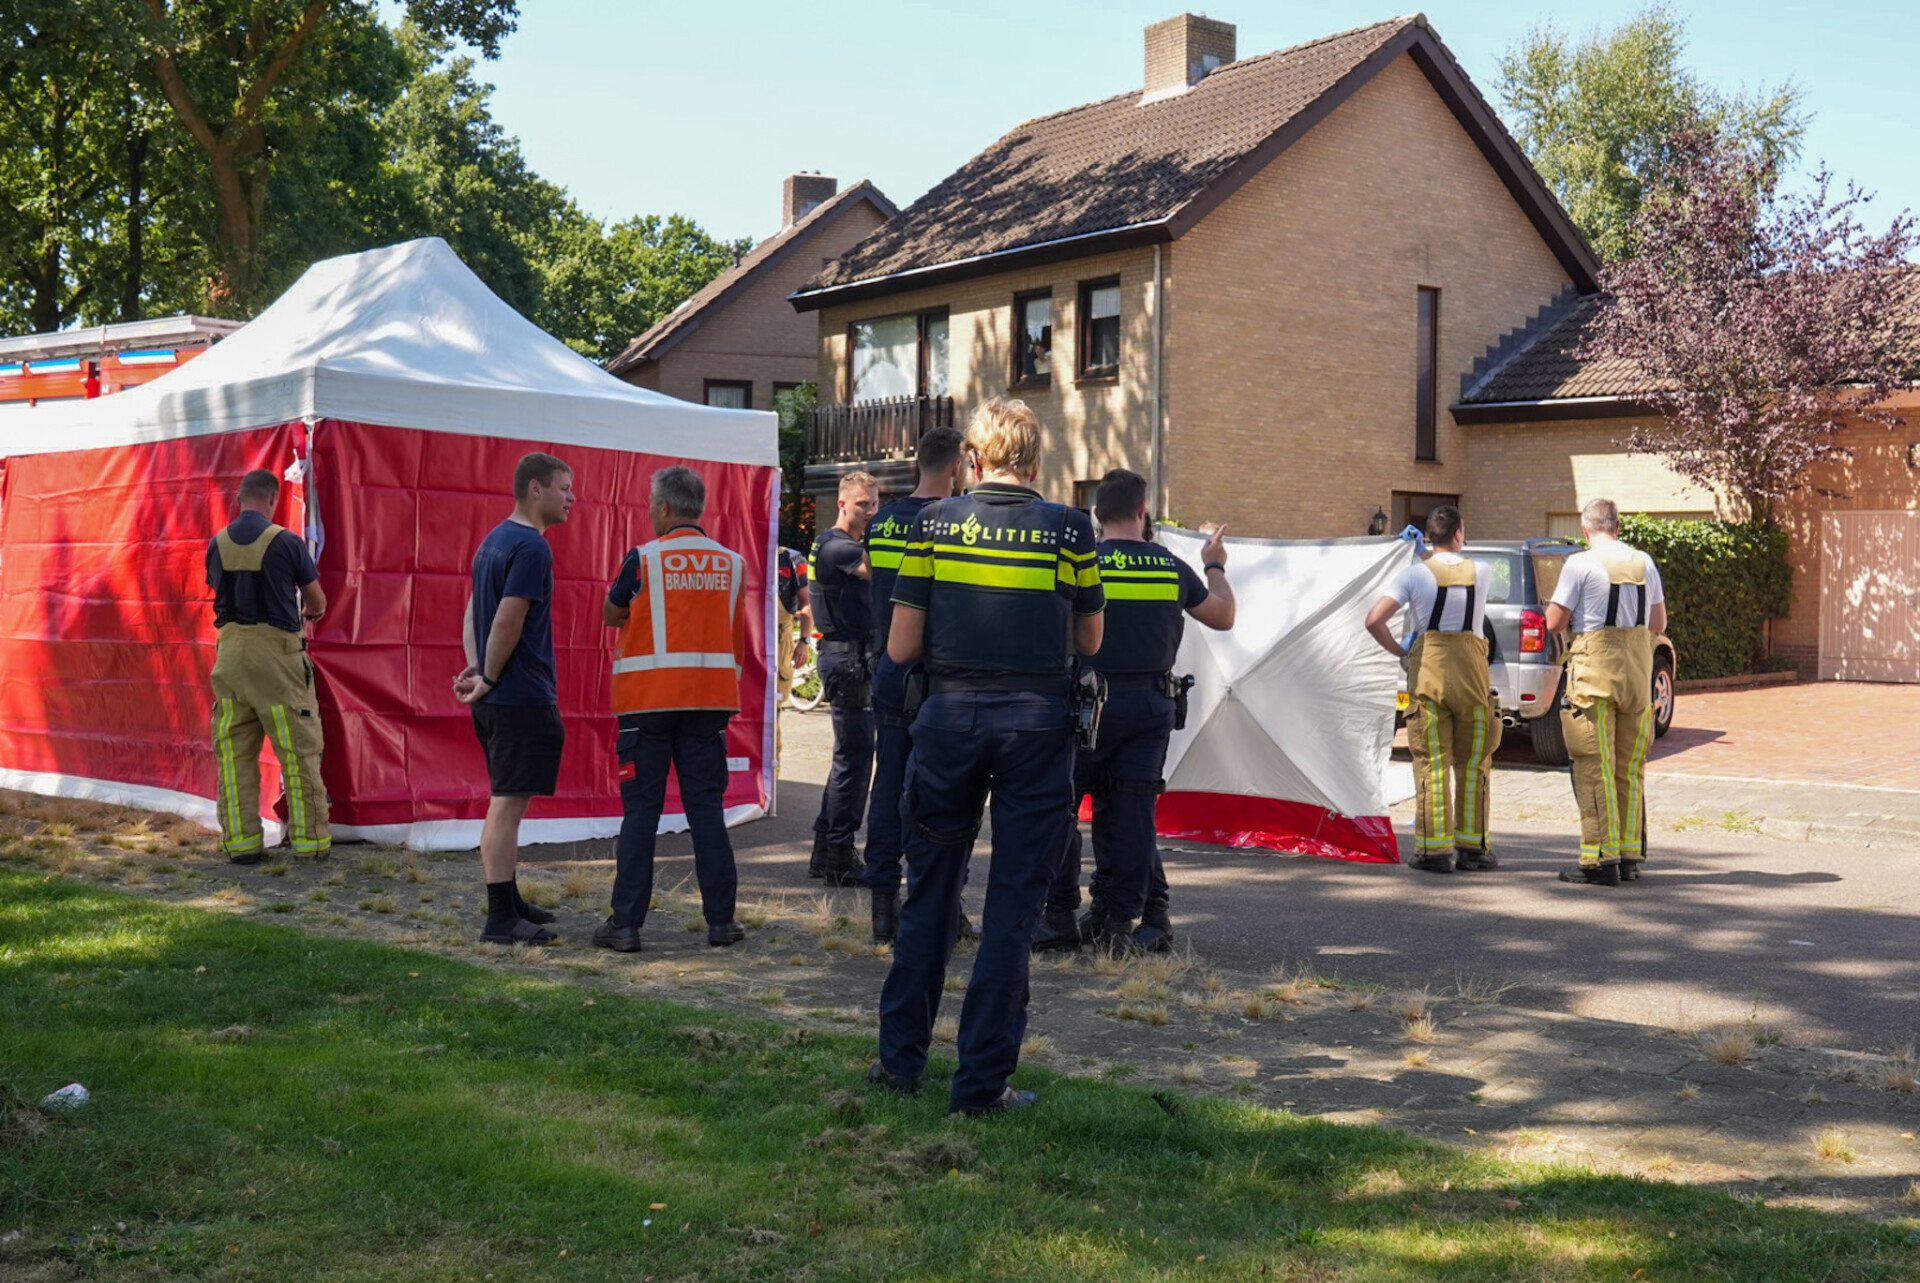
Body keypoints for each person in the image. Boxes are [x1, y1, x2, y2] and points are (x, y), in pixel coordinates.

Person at [870, 397, 1103, 1117]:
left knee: (930, 894)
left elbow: (901, 647)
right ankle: (980, 1088)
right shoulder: (1070, 528)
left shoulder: (933, 523)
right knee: (1013, 909)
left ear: (973, 459)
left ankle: (900, 1064)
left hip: (948, 721)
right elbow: (1091, 639)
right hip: (1037, 726)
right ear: (1035, 461)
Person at [1037, 468, 1234, 954]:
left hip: (1085, 709)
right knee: (1131, 814)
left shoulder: (1084, 565)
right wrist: (1214, 565)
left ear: (1096, 515)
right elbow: (1223, 616)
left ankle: (1059, 915)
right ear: (1143, 512)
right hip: (1149, 709)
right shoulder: (1170, 568)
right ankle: (1120, 926)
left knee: (1060, 810)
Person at [593, 466, 750, 952]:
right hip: (709, 704)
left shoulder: (643, 558)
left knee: (641, 812)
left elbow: (611, 613)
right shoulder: (732, 563)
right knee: (707, 812)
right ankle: (722, 922)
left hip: (647, 703)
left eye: (650, 505)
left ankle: (626, 924)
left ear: (663, 507)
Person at [454, 452, 575, 945]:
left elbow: (472, 614)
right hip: (519, 697)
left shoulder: (494, 541)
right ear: (535, 488)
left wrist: (479, 670)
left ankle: (510, 900)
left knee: (508, 801)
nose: (572, 498)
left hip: (499, 695)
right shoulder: (531, 547)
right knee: (506, 806)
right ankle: (500, 918)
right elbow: (506, 618)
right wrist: (488, 675)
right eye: (564, 488)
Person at [861, 426, 967, 943]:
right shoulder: (955, 523)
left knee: (887, 783)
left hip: (889, 665)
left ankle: (883, 906)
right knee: (947, 792)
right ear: (957, 467)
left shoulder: (880, 522)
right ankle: (944, 906)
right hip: (938, 674)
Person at [1364, 504, 1502, 874]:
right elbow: (1450, 570)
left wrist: (1401, 651)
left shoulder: (1412, 576)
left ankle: (1434, 852)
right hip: (1473, 681)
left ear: (1428, 535)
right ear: (1459, 534)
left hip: (1428, 676)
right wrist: (1427, 551)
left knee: (1432, 763)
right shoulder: (1482, 571)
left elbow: (1373, 620)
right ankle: (1474, 849)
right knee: (1474, 763)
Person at [206, 468, 330, 862]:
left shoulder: (216, 544)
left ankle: (241, 844)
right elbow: (317, 601)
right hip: (277, 659)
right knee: (297, 750)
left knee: (234, 754)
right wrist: (310, 612)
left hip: (230, 656)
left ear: (239, 499)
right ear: (274, 498)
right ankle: (310, 844)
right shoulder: (287, 542)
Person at [1545, 497, 1667, 886]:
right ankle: (1629, 857)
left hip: (1595, 677)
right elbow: (1659, 622)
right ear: (1618, 527)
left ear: (1585, 530)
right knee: (1629, 767)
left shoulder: (1579, 563)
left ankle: (1601, 860)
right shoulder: (1644, 562)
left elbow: (1554, 622)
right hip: (1637, 676)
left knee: (1594, 765)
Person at [807, 471, 880, 886]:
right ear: (842, 504)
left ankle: (825, 851)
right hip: (848, 661)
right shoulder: (839, 547)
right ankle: (838, 854)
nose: (870, 511)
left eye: (874, 503)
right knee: (853, 761)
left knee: (848, 759)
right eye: (862, 504)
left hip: (849, 659)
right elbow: (876, 571)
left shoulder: (831, 542)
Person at [773, 545, 811, 765]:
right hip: (748, 641)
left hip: (780, 642)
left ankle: (773, 767)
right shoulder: (745, 550)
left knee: (774, 711)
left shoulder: (792, 560)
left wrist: (805, 641)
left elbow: (807, 603)